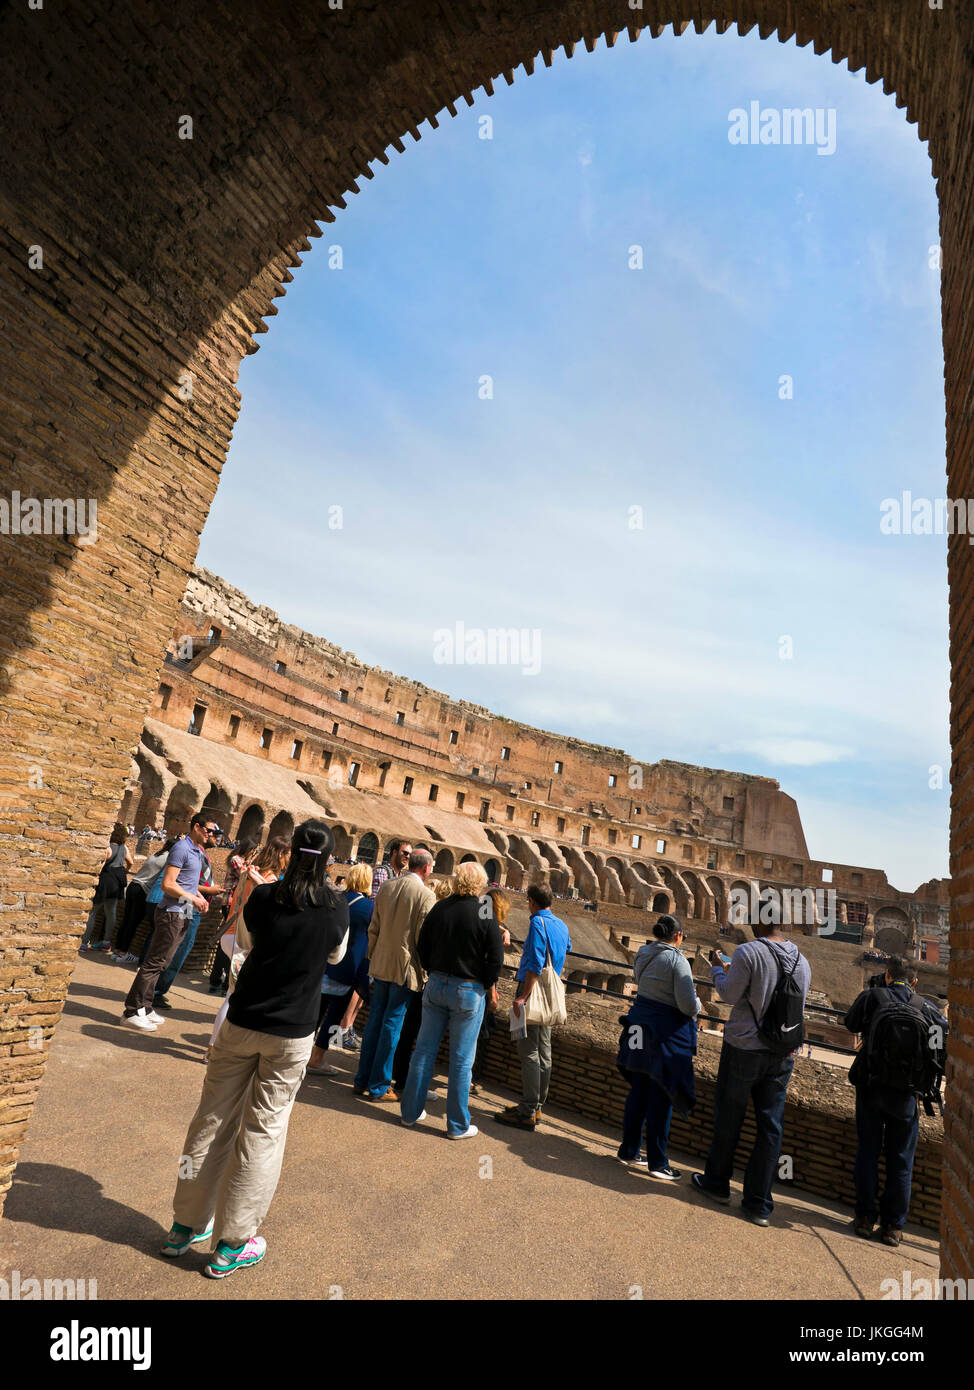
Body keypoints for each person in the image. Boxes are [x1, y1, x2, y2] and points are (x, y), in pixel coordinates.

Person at [163, 820, 349, 1278]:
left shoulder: (266, 898)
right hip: (292, 1032)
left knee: (211, 1117)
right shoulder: (336, 908)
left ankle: (184, 1226)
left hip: (243, 1019)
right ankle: (232, 1244)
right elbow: (336, 958)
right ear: (327, 859)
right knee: (263, 1133)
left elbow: (242, 944)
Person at [691, 919, 811, 1226]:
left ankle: (717, 1184)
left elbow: (729, 995)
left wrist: (718, 968)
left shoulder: (747, 952)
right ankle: (758, 1203)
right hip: (782, 1052)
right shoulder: (802, 961)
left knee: (729, 1116)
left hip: (745, 1047)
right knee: (770, 1127)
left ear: (759, 922)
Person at [844, 956, 947, 1246]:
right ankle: (893, 1228)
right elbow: (941, 1050)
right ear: (914, 982)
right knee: (901, 1160)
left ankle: (865, 1219)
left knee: (868, 1152)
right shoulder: (929, 1009)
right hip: (906, 1094)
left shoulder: (872, 997)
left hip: (871, 1088)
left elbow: (851, 1025)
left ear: (888, 975)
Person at [400, 861, 505, 1138]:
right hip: (468, 990)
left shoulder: (441, 907)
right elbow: (496, 957)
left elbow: (422, 945)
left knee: (423, 1051)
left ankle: (410, 1113)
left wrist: (433, 970)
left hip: (435, 984)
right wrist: (484, 983)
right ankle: (457, 1126)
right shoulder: (484, 910)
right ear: (480, 883)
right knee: (461, 1061)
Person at [615, 914, 700, 1180]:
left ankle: (629, 1150)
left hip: (639, 1024)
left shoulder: (643, 952)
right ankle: (658, 1162)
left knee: (639, 1090)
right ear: (678, 936)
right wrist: (698, 1006)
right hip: (662, 1032)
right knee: (662, 1093)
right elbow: (687, 1005)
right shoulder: (678, 961)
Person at [120, 815, 219, 1031]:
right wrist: (193, 897)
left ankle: (145, 1006)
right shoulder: (182, 848)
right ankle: (131, 1010)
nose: (212, 835)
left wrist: (197, 896)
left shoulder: (195, 850)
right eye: (209, 830)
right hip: (172, 912)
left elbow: (186, 884)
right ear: (196, 827)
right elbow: (167, 884)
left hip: (183, 911)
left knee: (163, 962)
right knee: (154, 962)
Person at [354, 848, 434, 1101]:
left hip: (380, 962)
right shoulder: (425, 895)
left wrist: (373, 956)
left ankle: (362, 1079)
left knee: (375, 1021)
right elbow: (423, 939)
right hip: (404, 968)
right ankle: (379, 1085)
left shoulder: (387, 887)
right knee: (392, 1025)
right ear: (427, 868)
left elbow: (373, 928)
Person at [495, 884, 572, 1131]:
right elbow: (566, 948)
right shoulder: (561, 924)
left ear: (531, 902)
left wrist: (523, 997)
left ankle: (527, 1110)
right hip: (551, 993)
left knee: (528, 1052)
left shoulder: (538, 923)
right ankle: (537, 1106)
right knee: (544, 1053)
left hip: (533, 990)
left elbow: (536, 963)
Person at [209, 837, 291, 1049]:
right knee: (233, 997)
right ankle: (214, 1047)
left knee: (234, 994)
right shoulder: (269, 879)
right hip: (243, 940)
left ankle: (217, 1045)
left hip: (229, 934)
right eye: (288, 854)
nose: (289, 859)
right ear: (280, 854)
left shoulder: (249, 871)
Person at [307, 861, 374, 1075]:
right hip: (347, 968)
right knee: (334, 1015)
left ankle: (300, 1051)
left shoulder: (335, 900)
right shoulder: (368, 908)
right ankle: (317, 1058)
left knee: (315, 1011)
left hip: (323, 964)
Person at [153, 848, 224, 1009]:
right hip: (185, 904)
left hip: (190, 903)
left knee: (183, 946)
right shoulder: (189, 852)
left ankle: (158, 990)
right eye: (211, 832)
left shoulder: (199, 854)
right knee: (178, 946)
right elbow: (184, 883)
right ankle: (155, 990)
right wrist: (208, 891)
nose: (214, 837)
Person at [471, 888, 512, 1094]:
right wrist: (493, 993)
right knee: (474, 1038)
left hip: (460, 982)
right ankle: (467, 1080)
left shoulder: (477, 920)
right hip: (478, 989)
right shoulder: (492, 932)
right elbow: (491, 964)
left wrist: (503, 930)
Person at [112, 837, 176, 963]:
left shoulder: (157, 854)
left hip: (133, 886)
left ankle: (118, 950)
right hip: (142, 890)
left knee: (127, 919)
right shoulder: (168, 858)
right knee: (133, 922)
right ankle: (124, 953)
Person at [208, 837, 260, 994]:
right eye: (253, 850)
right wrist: (253, 862)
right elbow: (245, 874)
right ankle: (220, 982)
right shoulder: (236, 859)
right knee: (231, 942)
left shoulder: (242, 860)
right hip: (231, 902)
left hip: (235, 903)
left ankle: (219, 981)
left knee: (230, 942)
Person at [81, 825, 133, 950]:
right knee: (111, 912)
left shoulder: (108, 848)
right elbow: (131, 862)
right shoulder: (124, 848)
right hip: (117, 882)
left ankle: (84, 942)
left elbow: (101, 866)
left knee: (93, 911)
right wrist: (125, 871)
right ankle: (106, 942)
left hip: (105, 881)